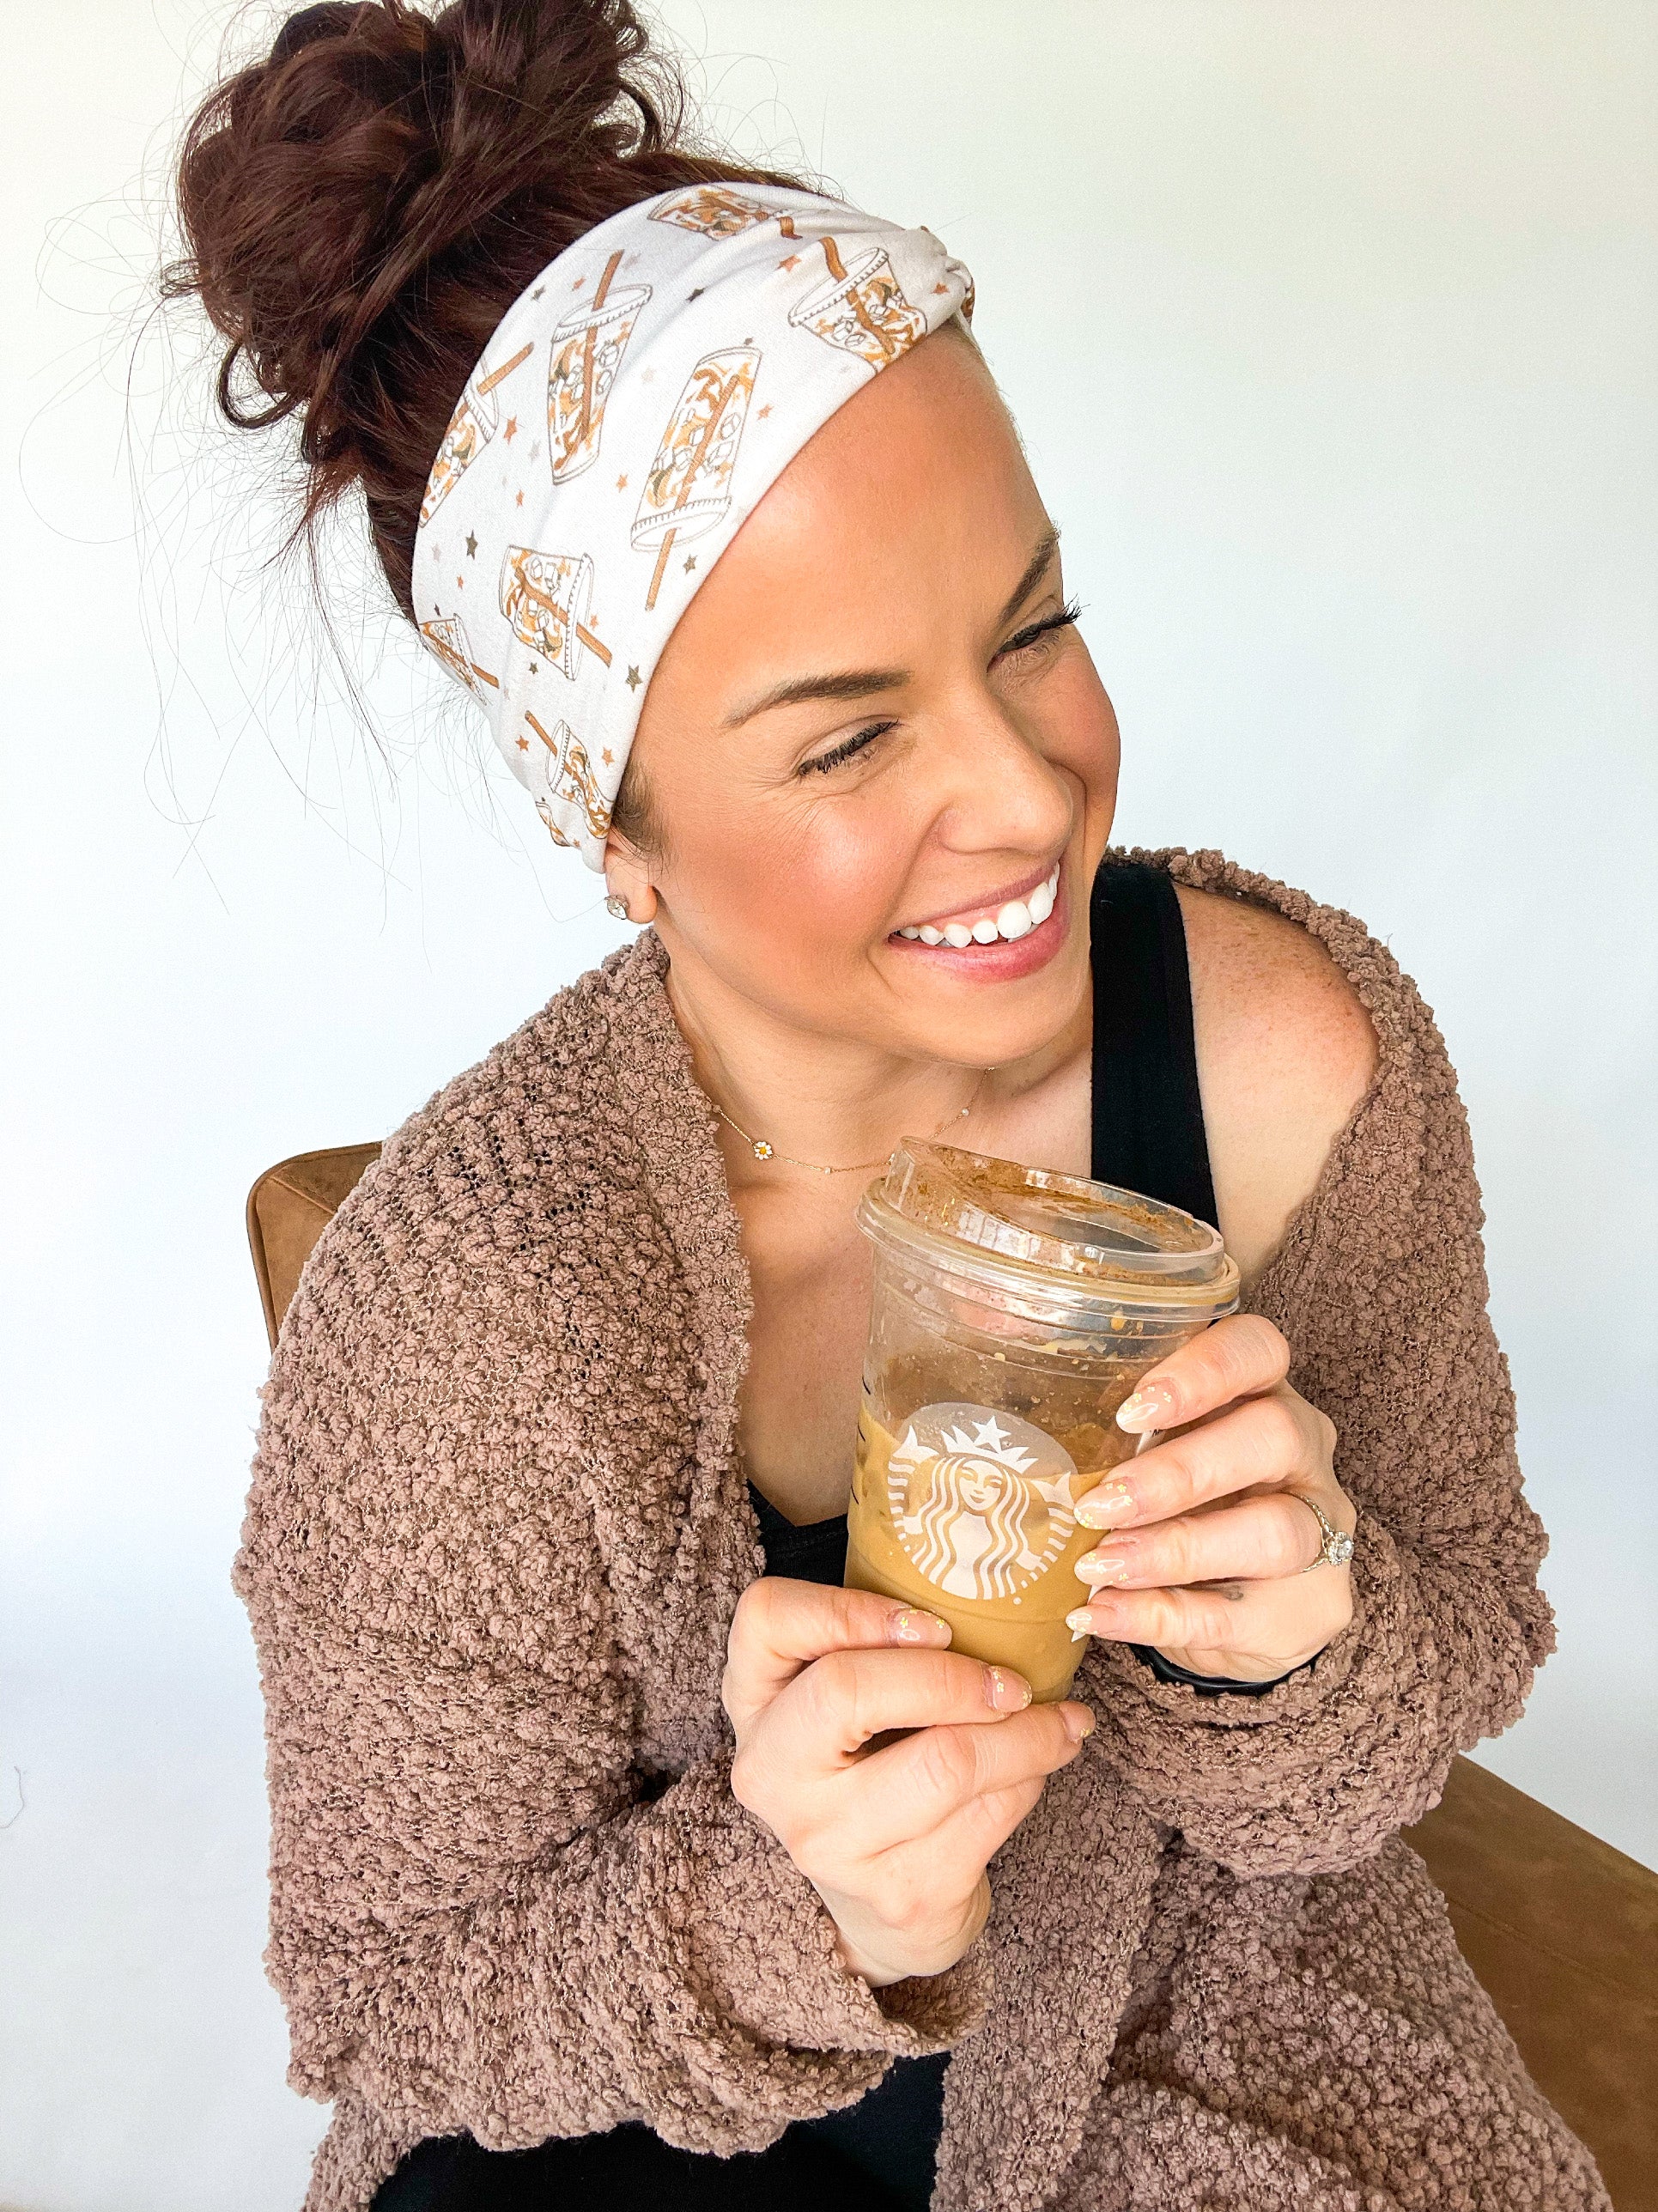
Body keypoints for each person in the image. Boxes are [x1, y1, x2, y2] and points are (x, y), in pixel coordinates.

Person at [173, 4, 1610, 2208]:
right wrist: (811, 1904)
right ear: (620, 831)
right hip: (652, 2114)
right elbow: (397, 1992)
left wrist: (1307, 1638)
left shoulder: (1291, 1064)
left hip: (1203, 2052)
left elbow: (1429, 1679)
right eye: (846, 741)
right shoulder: (468, 1320)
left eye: (1032, 629)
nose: (1027, 790)